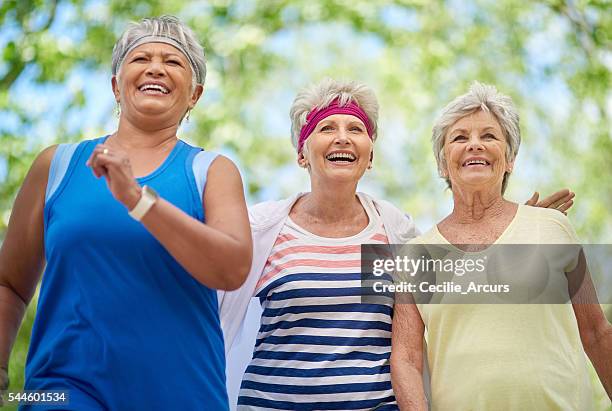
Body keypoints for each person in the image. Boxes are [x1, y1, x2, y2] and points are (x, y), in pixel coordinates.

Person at [218, 78, 575, 410]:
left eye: (355, 129)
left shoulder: (394, 231)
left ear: (369, 155)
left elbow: (457, 274)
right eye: (327, 128)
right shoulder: (265, 229)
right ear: (302, 154)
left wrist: (515, 225)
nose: (342, 137)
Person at [0, 15, 252, 410]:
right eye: (140, 59)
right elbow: (9, 283)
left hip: (183, 397)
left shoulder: (212, 171)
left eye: (173, 61)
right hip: (61, 392)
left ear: (194, 95)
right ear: (116, 86)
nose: (155, 67)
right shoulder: (57, 165)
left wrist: (138, 200)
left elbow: (232, 267)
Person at [390, 82, 611, 410]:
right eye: (460, 137)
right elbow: (406, 359)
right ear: (442, 164)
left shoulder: (553, 228)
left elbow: (596, 332)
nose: (475, 145)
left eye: (489, 136)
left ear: (509, 160)